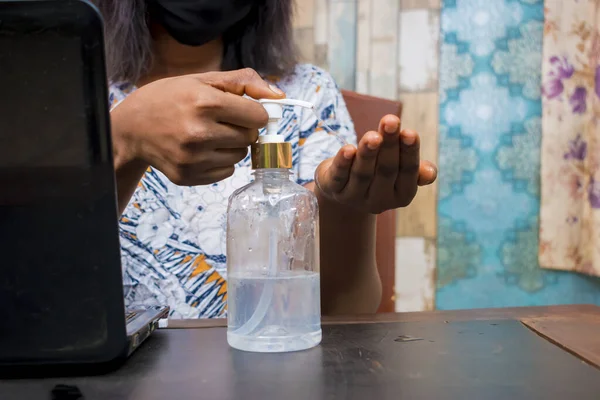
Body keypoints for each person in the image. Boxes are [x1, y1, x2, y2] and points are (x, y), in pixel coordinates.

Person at [94, 0, 438, 318]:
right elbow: (45, 281)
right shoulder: (78, 100)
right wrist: (121, 139)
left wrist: (343, 208)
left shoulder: (304, 96)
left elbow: (348, 312)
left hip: (271, 372)